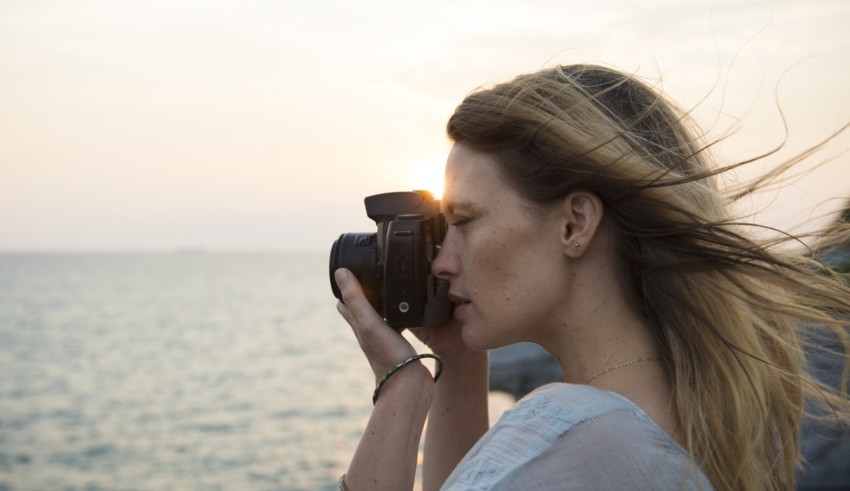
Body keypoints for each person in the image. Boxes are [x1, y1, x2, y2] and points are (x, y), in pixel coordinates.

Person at [332, 64, 850, 490]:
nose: (443, 262)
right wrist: (457, 361)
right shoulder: (673, 418)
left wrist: (401, 389)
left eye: (465, 222)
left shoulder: (572, 430)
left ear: (574, 224)